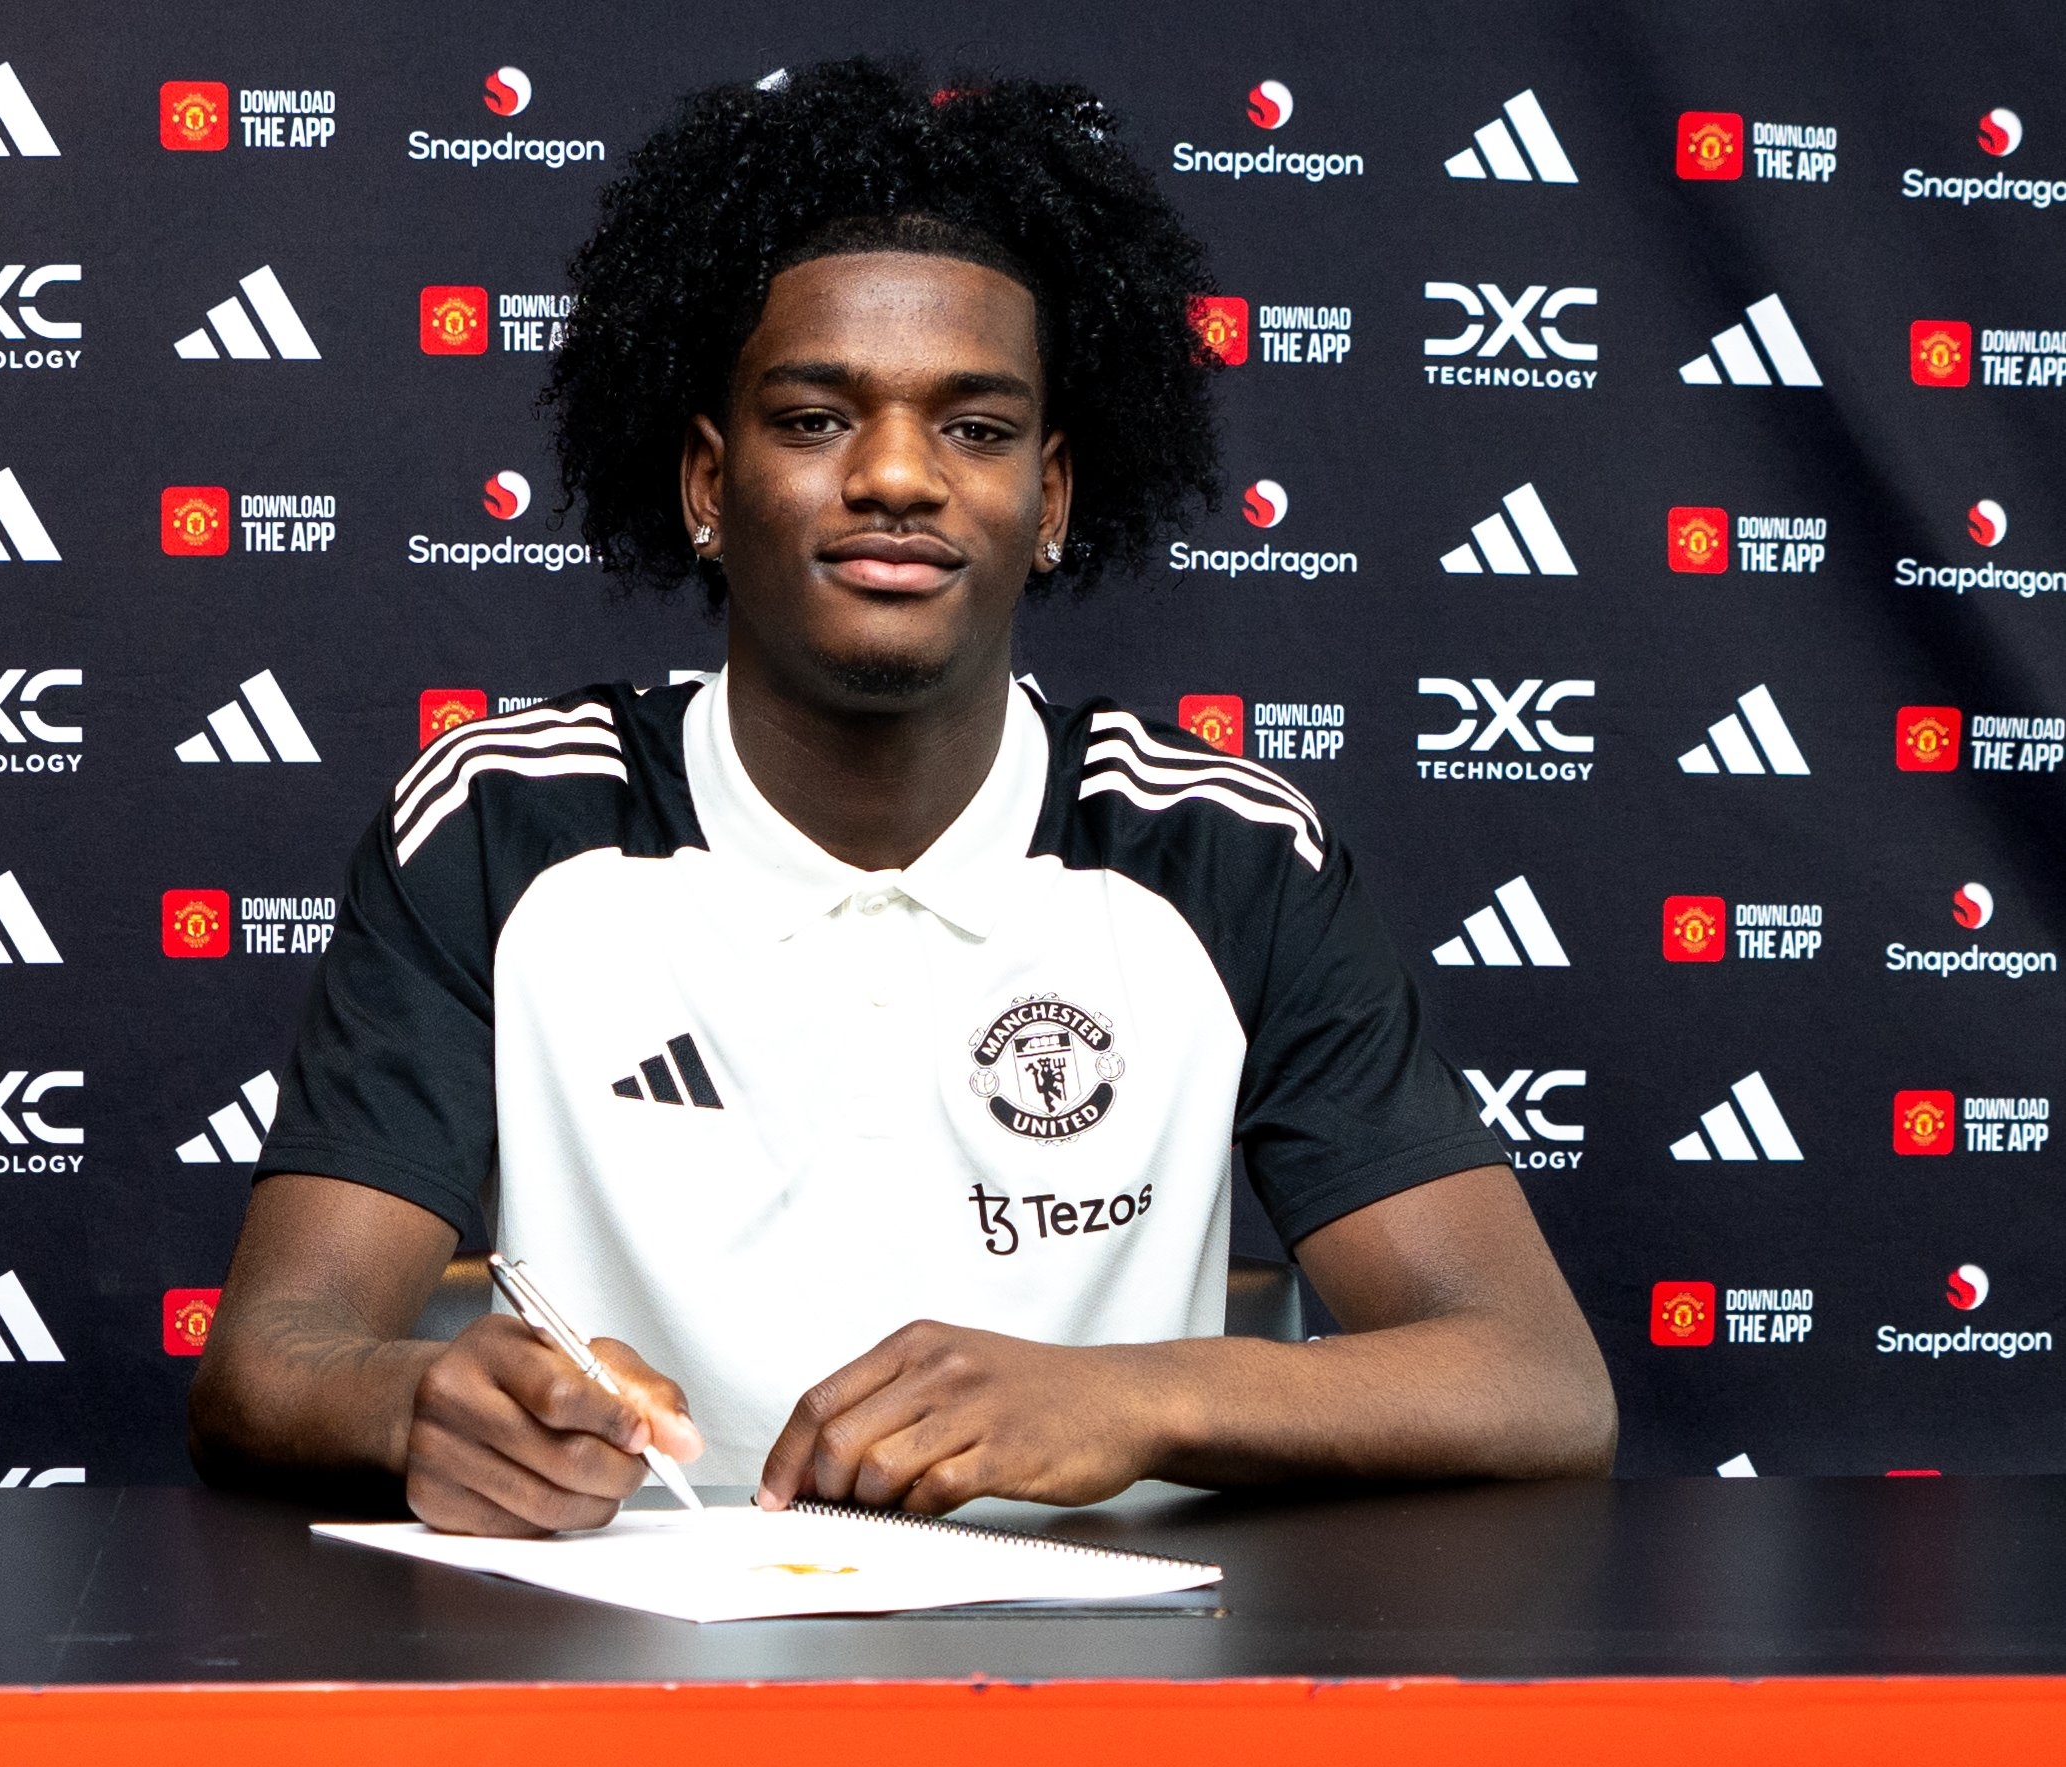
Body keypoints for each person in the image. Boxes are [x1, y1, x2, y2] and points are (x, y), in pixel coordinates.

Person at [189, 62, 1614, 1533]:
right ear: (707, 482)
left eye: (976, 429)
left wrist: (1129, 1398)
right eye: (815, 419)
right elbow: (268, 1363)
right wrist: (421, 1402)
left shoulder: (1224, 852)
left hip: (1095, 1662)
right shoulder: (499, 827)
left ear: (1053, 499)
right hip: (640, 1650)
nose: (895, 476)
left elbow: (1536, 1380)